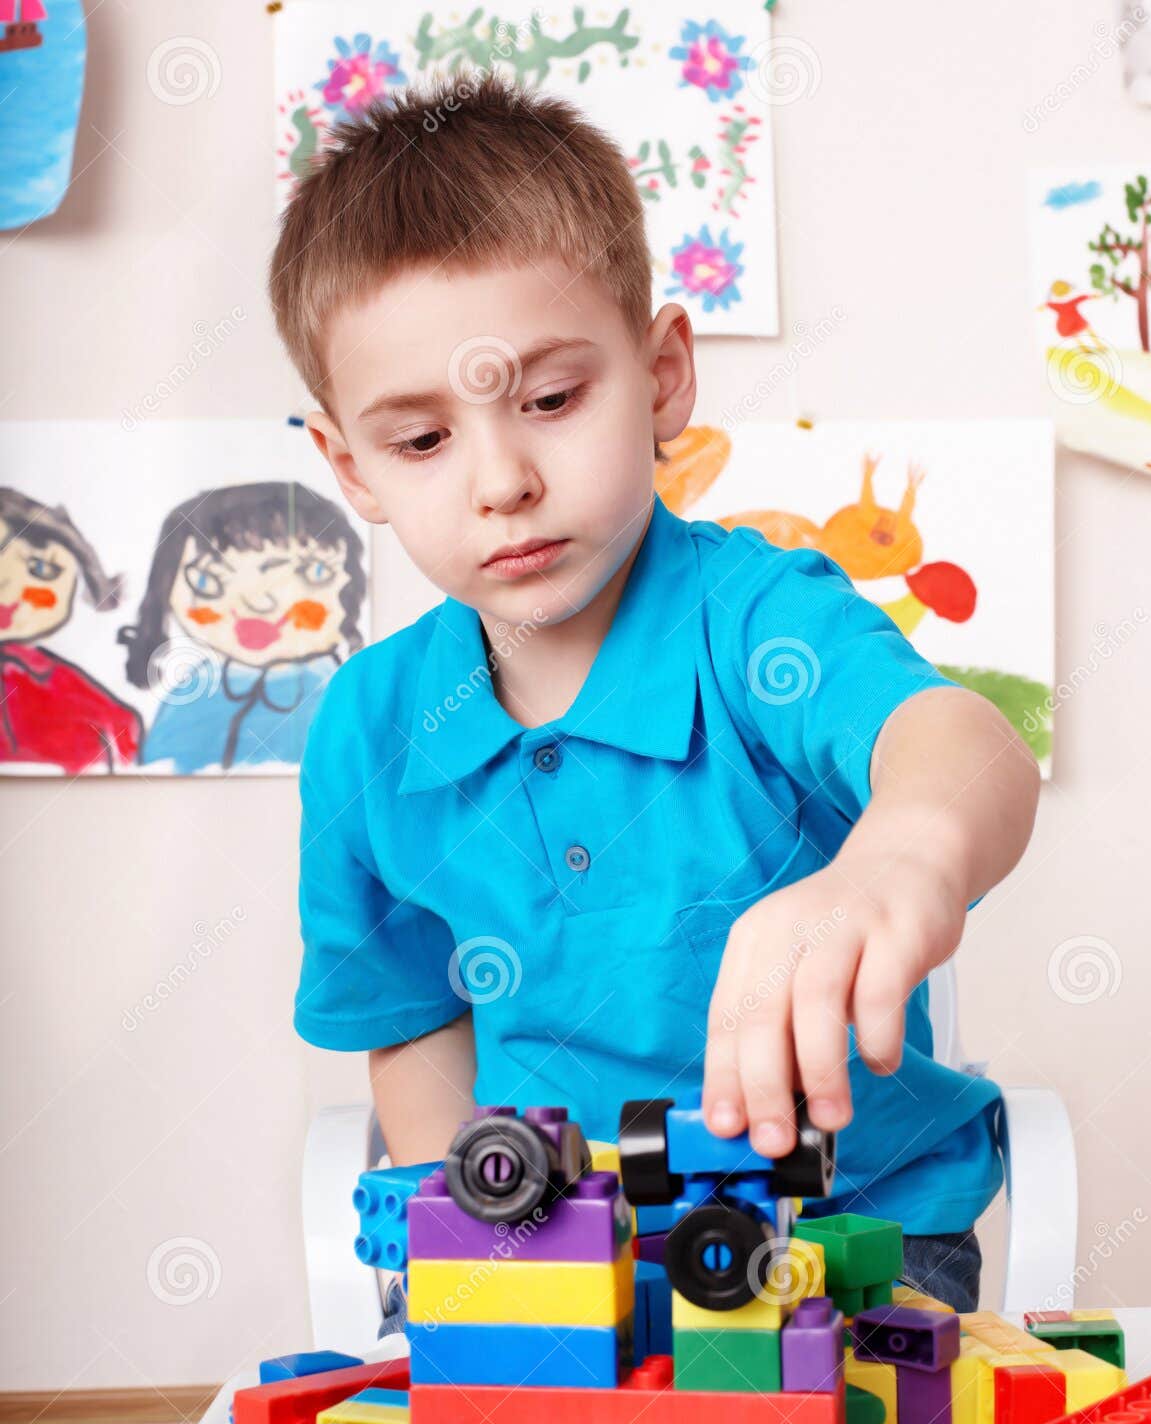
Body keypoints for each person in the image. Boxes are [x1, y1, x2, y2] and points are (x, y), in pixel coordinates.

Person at [269, 77, 1040, 1320]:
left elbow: (960, 747)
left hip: (847, 1242)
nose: (504, 480)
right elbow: (413, 1025)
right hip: (552, 1263)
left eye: (553, 400)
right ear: (349, 466)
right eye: (423, 442)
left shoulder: (757, 625)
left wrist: (901, 850)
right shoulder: (370, 728)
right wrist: (458, 1254)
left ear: (665, 373)